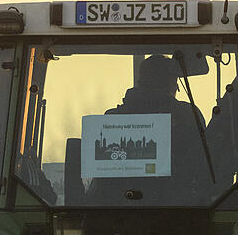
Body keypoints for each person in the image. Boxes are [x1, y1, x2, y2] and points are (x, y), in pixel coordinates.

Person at [86, 54, 211, 202]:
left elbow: (104, 183)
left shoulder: (112, 118)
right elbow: (202, 168)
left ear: (140, 82)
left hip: (117, 209)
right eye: (175, 81)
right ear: (172, 83)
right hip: (178, 209)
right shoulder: (187, 116)